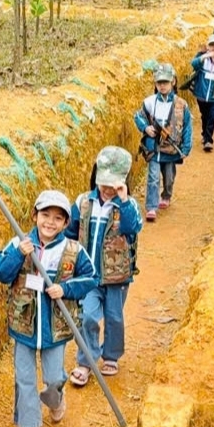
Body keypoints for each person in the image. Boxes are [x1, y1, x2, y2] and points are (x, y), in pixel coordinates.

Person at [0, 190, 96, 427]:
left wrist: (66, 289)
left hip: (56, 328)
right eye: (45, 215)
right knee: (24, 377)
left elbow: (91, 278)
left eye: (57, 218)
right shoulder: (19, 242)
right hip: (24, 325)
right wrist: (18, 253)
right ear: (35, 215)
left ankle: (56, 399)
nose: (50, 222)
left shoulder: (73, 250)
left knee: (52, 377)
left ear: (65, 223)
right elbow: (0, 271)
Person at [67, 146, 142, 385]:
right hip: (89, 276)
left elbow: (132, 228)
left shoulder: (127, 206)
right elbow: (70, 232)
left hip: (117, 278)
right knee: (87, 316)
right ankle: (86, 361)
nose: (108, 189)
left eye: (114, 184)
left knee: (114, 318)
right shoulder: (83, 202)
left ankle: (111, 355)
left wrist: (124, 200)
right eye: (104, 183)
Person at [134, 64, 192, 222]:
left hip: (171, 150)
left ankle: (166, 195)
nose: (162, 86)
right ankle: (151, 207)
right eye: (159, 82)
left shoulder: (181, 104)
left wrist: (186, 147)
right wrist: (145, 128)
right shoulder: (149, 102)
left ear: (173, 82)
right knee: (153, 177)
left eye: (165, 82)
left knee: (169, 177)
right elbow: (138, 117)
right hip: (154, 149)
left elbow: (187, 126)